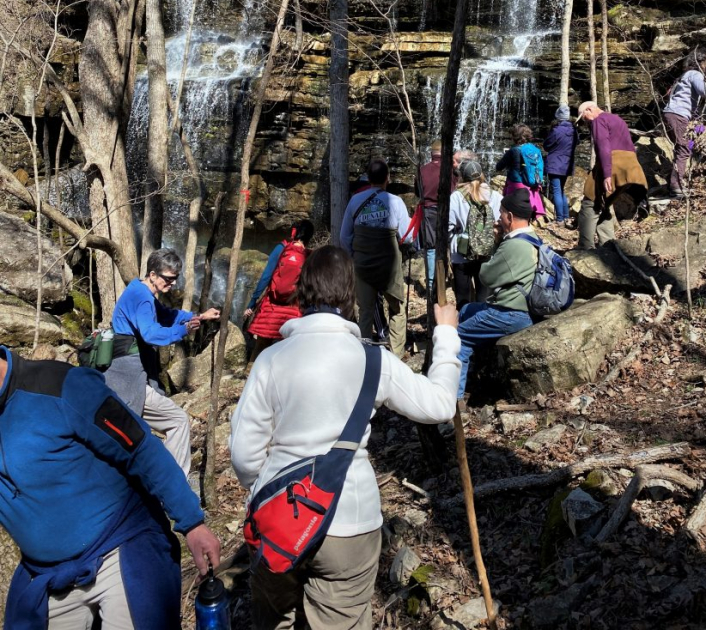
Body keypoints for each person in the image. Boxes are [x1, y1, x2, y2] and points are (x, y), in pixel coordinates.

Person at [230, 246, 460, 630]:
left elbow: (243, 453)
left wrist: (269, 490)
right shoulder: (373, 360)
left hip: (278, 520)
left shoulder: (271, 359)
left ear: (302, 295)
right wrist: (448, 335)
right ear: (350, 295)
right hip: (350, 522)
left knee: (273, 619)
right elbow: (438, 405)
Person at [0, 346, 220, 629]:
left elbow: (141, 448)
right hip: (45, 573)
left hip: (120, 546)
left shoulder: (61, 385)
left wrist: (191, 523)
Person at [105, 247, 220, 476]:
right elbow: (151, 334)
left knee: (140, 433)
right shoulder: (142, 298)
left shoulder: (141, 290)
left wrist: (199, 317)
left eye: (176, 278)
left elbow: (167, 315)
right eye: (169, 278)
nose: (173, 284)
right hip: (127, 378)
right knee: (177, 421)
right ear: (153, 274)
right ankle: (173, 484)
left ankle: (152, 478)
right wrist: (184, 330)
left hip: (133, 374)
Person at [455, 190, 536, 399]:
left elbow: (486, 276)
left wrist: (495, 242)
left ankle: (452, 399)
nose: (498, 218)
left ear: (509, 216)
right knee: (466, 310)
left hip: (509, 313)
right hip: (523, 308)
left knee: (457, 338)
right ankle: (474, 371)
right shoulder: (533, 237)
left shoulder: (514, 245)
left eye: (500, 213)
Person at [340, 158, 411, 357]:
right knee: (397, 308)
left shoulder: (355, 201)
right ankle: (396, 354)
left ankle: (364, 354)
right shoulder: (396, 202)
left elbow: (344, 236)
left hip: (363, 265)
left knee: (366, 312)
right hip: (389, 265)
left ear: (368, 178)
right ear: (388, 178)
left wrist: (356, 256)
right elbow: (407, 236)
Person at [576, 102, 648, 249]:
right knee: (605, 204)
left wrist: (607, 174)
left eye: (584, 118)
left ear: (589, 110)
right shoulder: (617, 119)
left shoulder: (598, 120)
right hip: (631, 166)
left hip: (614, 164)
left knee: (590, 203)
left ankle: (585, 248)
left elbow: (603, 146)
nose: (585, 122)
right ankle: (609, 246)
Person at [663, 46, 706, 199]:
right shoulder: (694, 74)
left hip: (674, 114)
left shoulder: (685, 75)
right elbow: (705, 92)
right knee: (684, 148)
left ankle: (676, 182)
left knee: (690, 142)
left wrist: (699, 126)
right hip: (678, 115)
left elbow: (690, 101)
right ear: (701, 62)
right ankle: (676, 186)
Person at [243, 220, 314, 360]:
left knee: (261, 346)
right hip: (293, 309)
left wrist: (252, 302)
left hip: (271, 308)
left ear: (294, 232)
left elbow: (266, 277)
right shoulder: (309, 256)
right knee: (288, 349)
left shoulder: (281, 248)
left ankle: (250, 375)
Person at [448, 159, 498, 308]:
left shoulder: (456, 197)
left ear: (462, 176)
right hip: (487, 252)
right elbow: (500, 223)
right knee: (484, 299)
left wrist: (452, 242)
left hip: (462, 253)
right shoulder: (494, 195)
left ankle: (464, 326)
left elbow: (448, 226)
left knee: (462, 299)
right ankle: (481, 326)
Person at [415, 140, 458, 291]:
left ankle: (432, 283)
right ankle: (452, 279)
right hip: (449, 210)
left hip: (429, 212)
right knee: (451, 243)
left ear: (431, 154)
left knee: (431, 247)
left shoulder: (422, 170)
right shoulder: (451, 170)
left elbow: (417, 192)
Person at [496, 124, 546, 217]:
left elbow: (499, 166)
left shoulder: (514, 150)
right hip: (532, 185)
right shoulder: (535, 150)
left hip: (516, 185)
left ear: (515, 137)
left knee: (511, 210)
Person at [543, 104, 579, 228]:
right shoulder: (574, 130)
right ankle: (565, 217)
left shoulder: (556, 130)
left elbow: (547, 145)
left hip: (554, 164)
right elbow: (576, 144)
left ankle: (559, 219)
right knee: (561, 191)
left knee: (557, 191)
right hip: (567, 164)